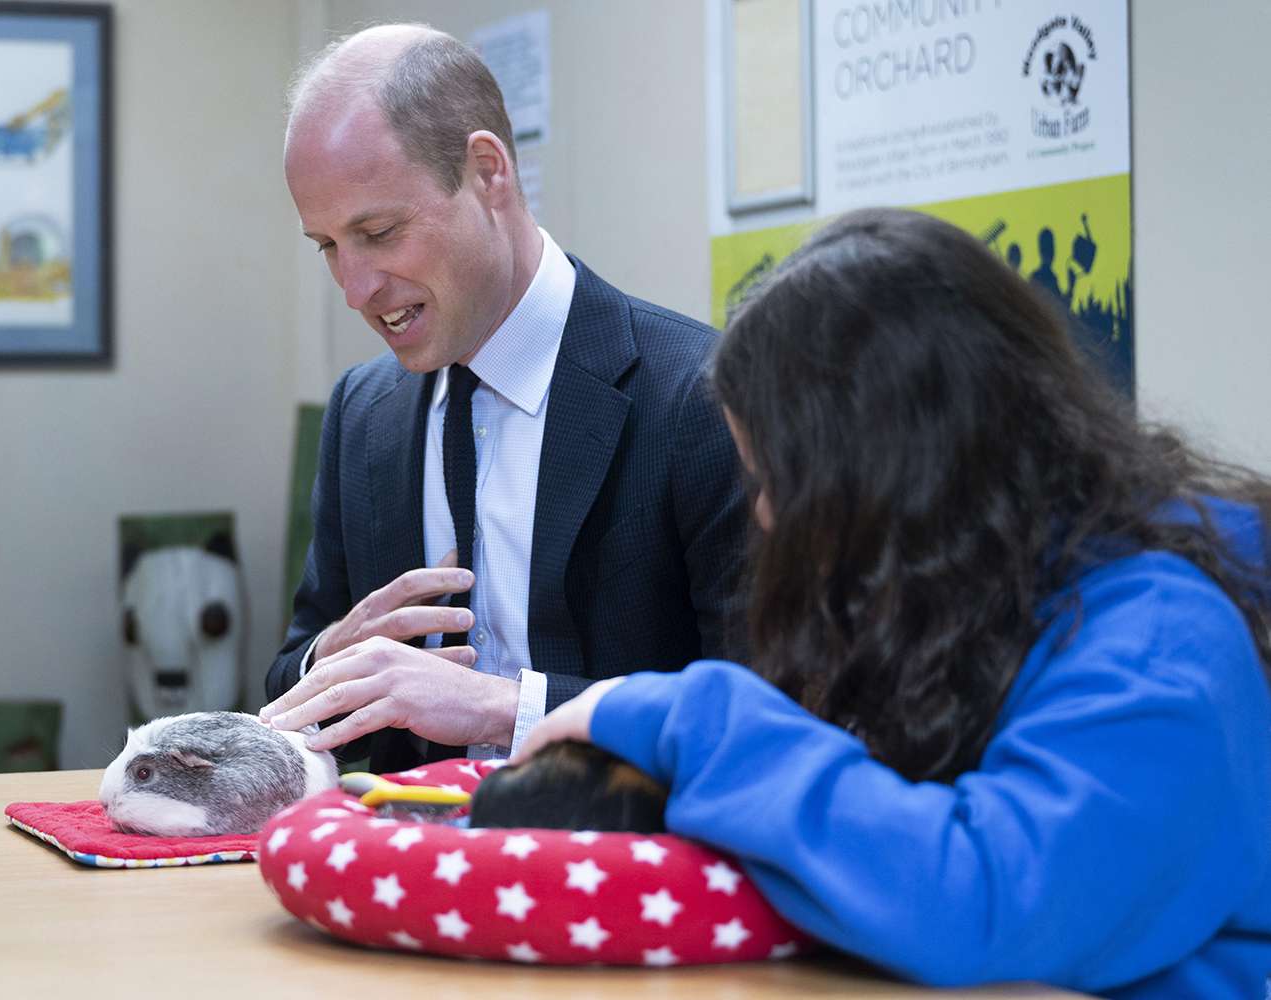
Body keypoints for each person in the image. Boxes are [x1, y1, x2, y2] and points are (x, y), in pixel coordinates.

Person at [515, 208, 1271, 999]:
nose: (767, 517)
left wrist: (687, 716)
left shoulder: (1165, 645)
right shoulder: (971, 609)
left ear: (893, 477)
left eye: (775, 482)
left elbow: (981, 905)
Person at [260, 25, 744, 771]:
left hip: (616, 872)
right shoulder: (362, 414)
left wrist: (503, 708)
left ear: (488, 172)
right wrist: (331, 654)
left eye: (379, 232)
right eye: (327, 247)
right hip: (407, 874)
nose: (354, 290)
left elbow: (768, 720)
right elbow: (294, 667)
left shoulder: (700, 397)